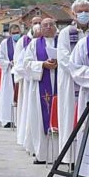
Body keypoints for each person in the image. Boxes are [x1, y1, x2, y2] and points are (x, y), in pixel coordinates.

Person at [15, 18, 59, 165]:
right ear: (40, 28)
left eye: (51, 25)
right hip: (40, 87)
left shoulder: (62, 43)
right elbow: (25, 64)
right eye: (45, 25)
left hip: (60, 87)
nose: (48, 27)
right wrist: (42, 65)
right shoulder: (34, 44)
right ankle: (42, 154)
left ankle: (61, 155)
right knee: (39, 119)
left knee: (60, 118)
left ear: (56, 27)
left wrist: (59, 62)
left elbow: (70, 60)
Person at [56, 3, 89, 150]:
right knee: (69, 117)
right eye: (80, 11)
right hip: (71, 82)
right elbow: (63, 59)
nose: (84, 14)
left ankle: (87, 154)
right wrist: (83, 73)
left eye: (86, 11)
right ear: (73, 14)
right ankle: (69, 156)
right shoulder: (65, 33)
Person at [0, 22, 21, 128]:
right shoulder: (5, 43)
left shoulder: (24, 42)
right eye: (13, 33)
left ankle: (19, 120)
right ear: (10, 33)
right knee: (8, 97)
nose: (16, 35)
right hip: (9, 74)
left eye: (17, 32)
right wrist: (8, 63)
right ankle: (8, 120)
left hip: (20, 74)